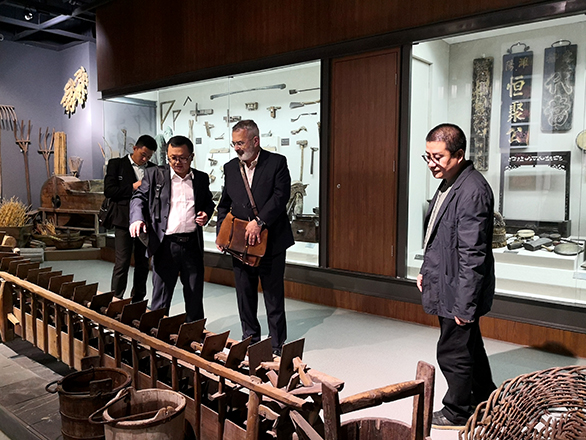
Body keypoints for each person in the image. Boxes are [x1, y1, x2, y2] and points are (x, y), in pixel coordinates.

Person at [417, 123, 497, 429]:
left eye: (438, 157)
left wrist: (464, 305)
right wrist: (426, 269)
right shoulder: (450, 181)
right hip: (446, 278)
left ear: (459, 154)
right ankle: (486, 397)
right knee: (470, 346)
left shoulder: (472, 191)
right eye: (427, 156)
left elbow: (472, 254)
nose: (431, 163)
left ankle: (457, 411)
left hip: (458, 286)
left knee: (453, 350)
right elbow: (438, 235)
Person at [217, 120, 294, 356]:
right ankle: (250, 339)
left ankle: (277, 345)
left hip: (271, 242)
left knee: (273, 296)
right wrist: (221, 233)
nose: (236, 148)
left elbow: (281, 197)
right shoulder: (231, 167)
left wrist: (259, 222)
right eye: (234, 143)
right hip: (240, 244)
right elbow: (225, 203)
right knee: (244, 295)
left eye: (240, 143)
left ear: (255, 141)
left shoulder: (276, 163)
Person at [129, 135, 215, 322]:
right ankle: (156, 334)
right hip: (165, 245)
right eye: (172, 158)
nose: (177, 162)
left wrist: (206, 214)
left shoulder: (200, 178)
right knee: (161, 298)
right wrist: (137, 218)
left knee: (194, 296)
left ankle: (193, 333)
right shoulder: (155, 174)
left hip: (192, 245)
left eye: (182, 158)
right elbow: (139, 197)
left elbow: (209, 202)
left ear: (191, 157)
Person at [104, 134, 157, 302]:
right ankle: (116, 298)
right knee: (122, 262)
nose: (145, 159)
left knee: (143, 262)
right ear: (135, 148)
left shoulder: (153, 169)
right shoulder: (117, 164)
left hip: (145, 222)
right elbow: (109, 191)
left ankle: (138, 300)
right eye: (143, 154)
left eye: (148, 157)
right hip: (123, 220)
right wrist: (133, 187)